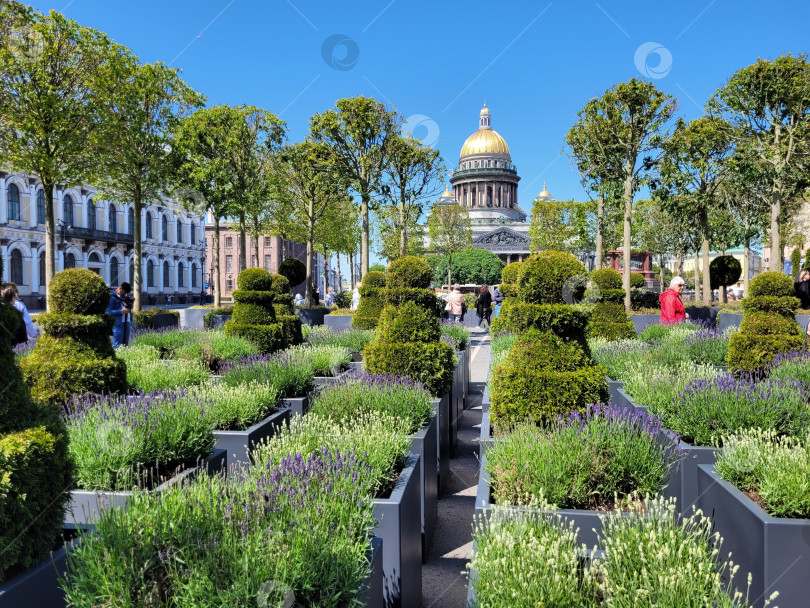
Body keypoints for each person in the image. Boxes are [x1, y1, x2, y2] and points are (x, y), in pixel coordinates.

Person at [107, 282, 133, 348]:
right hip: (118, 323)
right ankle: (117, 357)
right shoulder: (112, 297)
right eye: (124, 292)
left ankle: (125, 357)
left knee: (125, 344)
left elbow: (128, 307)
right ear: (120, 289)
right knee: (118, 345)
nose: (124, 294)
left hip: (126, 322)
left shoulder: (124, 297)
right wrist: (120, 311)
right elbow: (108, 312)